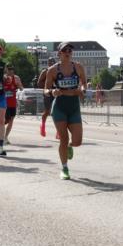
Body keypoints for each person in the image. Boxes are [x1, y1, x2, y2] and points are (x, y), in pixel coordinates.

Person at [44, 42, 86, 179]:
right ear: (59, 53)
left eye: (70, 50)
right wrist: (52, 92)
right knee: (63, 138)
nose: (68, 52)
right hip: (59, 107)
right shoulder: (52, 70)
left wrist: (82, 90)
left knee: (78, 141)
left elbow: (84, 84)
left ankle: (69, 146)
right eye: (64, 50)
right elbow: (46, 90)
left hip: (74, 107)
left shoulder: (78, 67)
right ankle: (64, 168)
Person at [2, 66, 23, 145]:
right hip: (3, 103)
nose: (11, 71)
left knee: (11, 121)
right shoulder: (3, 78)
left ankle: (5, 137)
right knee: (3, 121)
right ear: (6, 70)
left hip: (12, 103)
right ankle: (2, 136)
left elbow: (21, 88)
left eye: (12, 69)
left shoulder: (16, 78)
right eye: (9, 69)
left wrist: (19, 86)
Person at [37, 57, 56, 138]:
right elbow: (39, 83)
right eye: (50, 62)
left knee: (57, 112)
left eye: (53, 62)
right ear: (48, 63)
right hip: (48, 93)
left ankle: (59, 132)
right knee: (47, 111)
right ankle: (43, 126)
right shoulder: (45, 71)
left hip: (56, 93)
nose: (51, 63)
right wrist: (47, 86)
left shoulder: (57, 71)